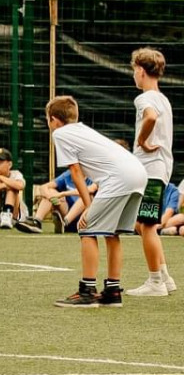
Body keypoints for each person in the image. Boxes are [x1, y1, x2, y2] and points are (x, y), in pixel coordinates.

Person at [45, 94, 149, 307]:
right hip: (138, 173)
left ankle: (87, 291)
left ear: (54, 119)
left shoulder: (61, 133)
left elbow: (75, 172)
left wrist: (88, 206)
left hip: (119, 179)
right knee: (112, 233)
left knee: (87, 228)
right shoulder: (82, 130)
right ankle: (112, 292)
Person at [126, 48, 176, 297]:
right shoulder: (163, 98)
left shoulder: (144, 99)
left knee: (146, 225)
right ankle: (165, 277)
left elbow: (151, 118)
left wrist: (141, 141)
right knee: (143, 223)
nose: (134, 75)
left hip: (151, 169)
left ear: (141, 70)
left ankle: (155, 282)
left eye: (134, 70)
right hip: (160, 168)